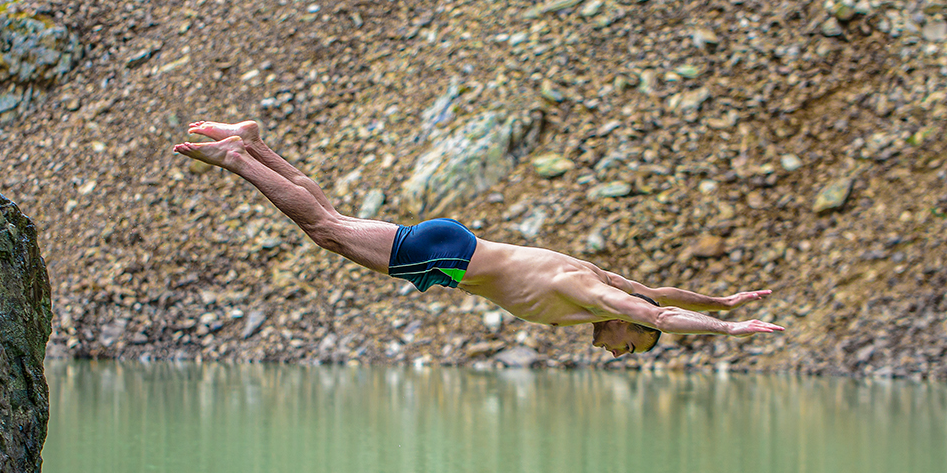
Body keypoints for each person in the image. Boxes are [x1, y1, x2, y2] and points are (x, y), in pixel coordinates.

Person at [174, 119, 783, 356]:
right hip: (449, 256)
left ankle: (254, 143)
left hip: (454, 249)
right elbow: (662, 310)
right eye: (630, 348)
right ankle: (237, 157)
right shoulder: (598, 299)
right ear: (635, 324)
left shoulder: (597, 285)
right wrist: (727, 329)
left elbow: (656, 291)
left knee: (333, 220)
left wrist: (722, 300)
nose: (614, 353)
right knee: (328, 231)